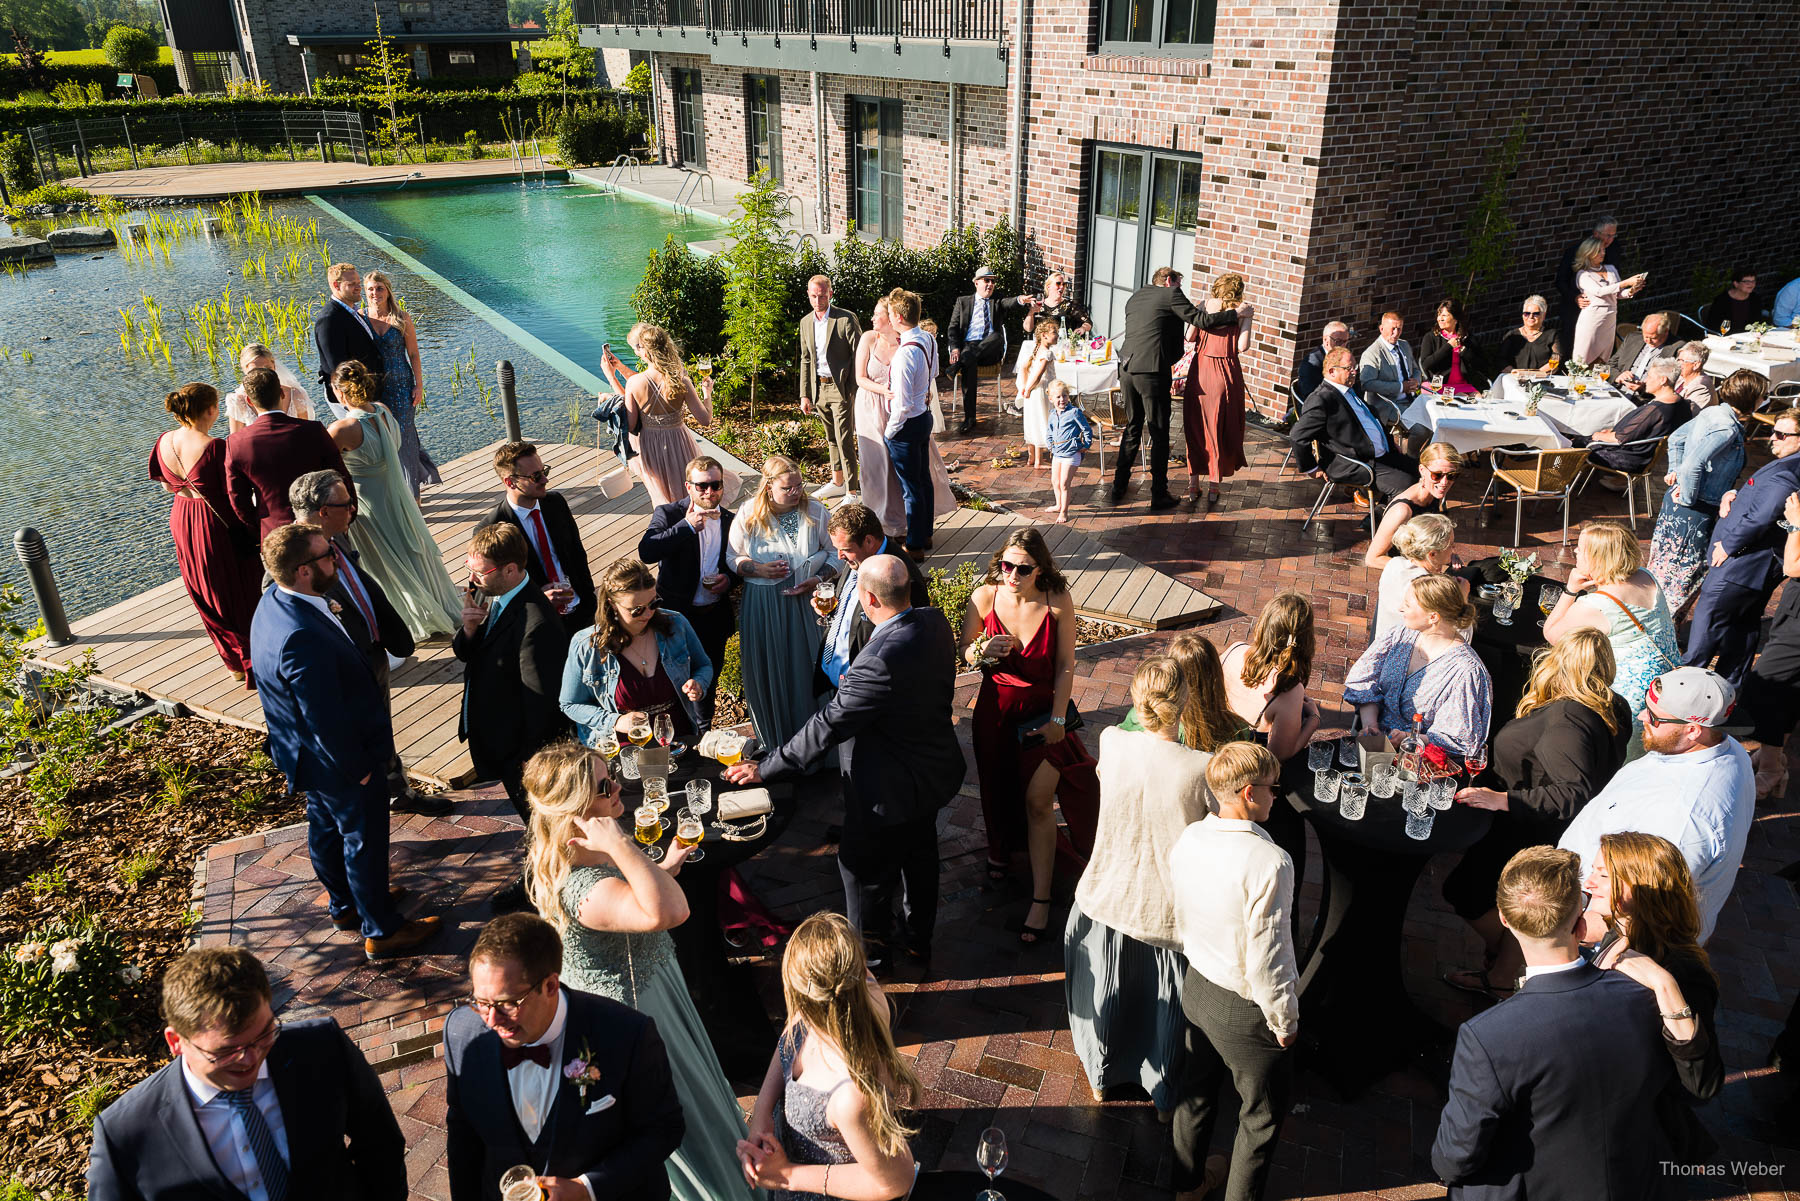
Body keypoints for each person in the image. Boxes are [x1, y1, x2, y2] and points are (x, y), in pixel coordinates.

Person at [520, 742, 751, 1201]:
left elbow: (643, 900)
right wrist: (620, 841)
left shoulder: (583, 858)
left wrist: (660, 867)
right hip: (641, 1017)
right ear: (575, 810)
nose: (618, 787)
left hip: (656, 992)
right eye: (606, 786)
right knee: (687, 1109)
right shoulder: (585, 887)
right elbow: (671, 910)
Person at [725, 557, 965, 963]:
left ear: (869, 598)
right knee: (920, 858)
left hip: (886, 789)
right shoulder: (933, 623)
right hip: (933, 773)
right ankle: (917, 939)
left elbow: (828, 725)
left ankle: (871, 956)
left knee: (861, 872)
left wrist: (766, 767)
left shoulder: (878, 661)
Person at [1431, 847, 1672, 1200]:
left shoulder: (1486, 1036)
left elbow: (1456, 1157)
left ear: (1505, 919)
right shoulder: (1641, 993)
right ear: (1579, 922)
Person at [249, 522, 440, 958]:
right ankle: (382, 929)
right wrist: (361, 770)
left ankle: (346, 904)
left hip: (304, 756)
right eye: (326, 555)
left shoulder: (274, 601)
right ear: (303, 571)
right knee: (364, 839)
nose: (336, 559)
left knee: (326, 828)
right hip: (338, 760)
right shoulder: (300, 636)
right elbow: (324, 718)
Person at [86, 946, 405, 1201]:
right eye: (226, 1051)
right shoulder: (124, 1134)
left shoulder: (322, 1048)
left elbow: (379, 1141)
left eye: (265, 1034)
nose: (250, 1059)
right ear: (175, 1041)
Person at [443, 912, 686, 1201]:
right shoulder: (461, 1034)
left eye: (508, 1004)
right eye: (481, 1002)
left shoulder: (626, 1034)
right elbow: (463, 1136)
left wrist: (588, 1188)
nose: (492, 1019)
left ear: (550, 986)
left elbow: (663, 1128)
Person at [1444, 628, 1632, 997]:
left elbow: (1570, 792)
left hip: (1527, 829)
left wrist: (1504, 800)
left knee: (1467, 891)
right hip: (1535, 827)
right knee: (1509, 898)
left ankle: (1508, 961)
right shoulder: (1613, 704)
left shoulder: (1568, 718)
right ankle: (1502, 972)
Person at [1065, 658, 1214, 1113]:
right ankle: (1162, 1090)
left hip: (1105, 893)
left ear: (1135, 699)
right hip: (1165, 912)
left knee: (1107, 1001)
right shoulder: (1200, 766)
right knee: (1163, 1012)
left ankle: (1101, 1079)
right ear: (1186, 701)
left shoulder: (1112, 742)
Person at [1168, 742, 1297, 1201]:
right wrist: (1284, 1021)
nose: (1276, 796)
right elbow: (1270, 955)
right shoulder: (1270, 862)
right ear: (1247, 792)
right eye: (1272, 788)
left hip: (1197, 987)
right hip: (1245, 1007)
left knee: (1196, 1092)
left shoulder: (1190, 837)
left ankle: (1187, 1184)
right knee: (1259, 1118)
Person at [962, 529, 1100, 943]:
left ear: (1041, 569)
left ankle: (1040, 900)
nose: (1012, 575)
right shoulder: (984, 596)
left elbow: (1065, 665)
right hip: (995, 711)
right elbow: (965, 648)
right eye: (1006, 565)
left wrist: (1059, 719)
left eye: (1023, 568)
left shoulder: (1057, 602)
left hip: (1041, 716)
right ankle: (1000, 853)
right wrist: (981, 651)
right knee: (996, 786)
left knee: (1038, 801)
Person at [1557, 666, 1754, 943]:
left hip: (1598, 941)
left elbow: (1633, 911)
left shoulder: (1681, 821)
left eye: (1655, 717)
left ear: (1693, 730)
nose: (1642, 717)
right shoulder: (1722, 745)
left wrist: (1558, 931)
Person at [290, 470, 445, 817]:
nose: (353, 510)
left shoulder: (336, 536)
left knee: (382, 732)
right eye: (347, 504)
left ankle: (398, 792)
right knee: (360, 741)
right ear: (323, 511)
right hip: (346, 674)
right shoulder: (291, 562)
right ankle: (371, 806)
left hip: (371, 656)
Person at [738, 912, 921, 1199]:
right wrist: (762, 1114)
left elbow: (896, 1180)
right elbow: (787, 1044)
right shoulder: (809, 1014)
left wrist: (787, 1176)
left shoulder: (851, 1093)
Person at [1584, 831, 1724, 1160]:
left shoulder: (1683, 972)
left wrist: (1664, 985)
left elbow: (1701, 1086)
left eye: (1604, 875)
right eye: (1593, 871)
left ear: (1647, 888)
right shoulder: (1600, 933)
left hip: (1627, 1133)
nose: (1589, 883)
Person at [457, 522, 570, 910]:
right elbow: (470, 654)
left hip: (519, 748)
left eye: (480, 571)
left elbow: (540, 701)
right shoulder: (494, 597)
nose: (472, 580)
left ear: (510, 569)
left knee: (541, 824)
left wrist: (530, 759)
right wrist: (470, 629)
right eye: (470, 568)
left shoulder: (536, 622)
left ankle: (545, 891)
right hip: (498, 736)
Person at [324, 360, 461, 640]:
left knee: (384, 562)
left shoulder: (341, 429)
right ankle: (431, 603)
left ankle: (410, 615)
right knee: (410, 551)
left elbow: (323, 465)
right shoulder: (384, 411)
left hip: (368, 505)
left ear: (340, 392)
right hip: (397, 495)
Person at [151, 383, 261, 685]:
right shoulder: (215, 446)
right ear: (211, 410)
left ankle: (233, 664)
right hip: (215, 524)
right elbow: (235, 493)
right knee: (238, 589)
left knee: (205, 590)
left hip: (182, 516)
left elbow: (165, 485)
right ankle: (255, 660)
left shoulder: (164, 441)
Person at [1683, 406, 1800, 685]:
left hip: (1742, 564)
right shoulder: (1789, 464)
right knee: (1742, 627)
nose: (1772, 438)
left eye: (1781, 434)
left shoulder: (1789, 472)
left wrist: (1729, 546)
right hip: (1758, 567)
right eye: (1774, 431)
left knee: (1707, 624)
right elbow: (1761, 495)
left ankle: (1685, 687)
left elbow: (1763, 516)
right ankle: (1730, 689)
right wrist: (1735, 493)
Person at [728, 456, 839, 748]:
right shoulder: (748, 513)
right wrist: (756, 569)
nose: (796, 492)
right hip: (763, 603)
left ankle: (819, 743)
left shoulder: (815, 510)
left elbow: (835, 553)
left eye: (799, 485)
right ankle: (778, 743)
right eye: (788, 488)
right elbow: (732, 557)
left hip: (807, 602)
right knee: (771, 668)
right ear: (768, 487)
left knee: (808, 666)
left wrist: (817, 580)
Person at [1112, 267, 1241, 508]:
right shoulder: (1171, 294)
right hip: (1151, 371)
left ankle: (1118, 487)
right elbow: (1201, 321)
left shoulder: (1137, 295)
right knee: (1159, 432)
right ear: (1170, 280)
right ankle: (1158, 494)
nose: (1181, 288)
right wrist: (1234, 314)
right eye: (1179, 283)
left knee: (1132, 426)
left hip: (1127, 368)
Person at [559, 558, 711, 749]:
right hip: (624, 748)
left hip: (678, 738)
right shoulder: (586, 645)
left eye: (654, 603)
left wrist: (699, 683)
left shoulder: (676, 624)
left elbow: (703, 665)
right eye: (637, 610)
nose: (648, 614)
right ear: (612, 604)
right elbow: (570, 704)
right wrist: (615, 721)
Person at [1649, 370, 1762, 612]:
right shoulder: (1727, 429)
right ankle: (1663, 631)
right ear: (1750, 399)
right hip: (1694, 512)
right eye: (1761, 396)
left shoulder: (1713, 411)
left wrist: (1675, 473)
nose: (1763, 401)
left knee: (1662, 570)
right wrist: (1688, 496)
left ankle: (1649, 622)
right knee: (1683, 577)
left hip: (1678, 505)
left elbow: (1676, 439)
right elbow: (1693, 465)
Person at [1344, 573, 1491, 757]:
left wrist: (1410, 738)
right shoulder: (1401, 635)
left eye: (1407, 605)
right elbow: (1364, 680)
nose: (1400, 609)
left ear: (1433, 617)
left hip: (1418, 761)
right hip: (1373, 747)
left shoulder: (1466, 671)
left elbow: (1460, 738)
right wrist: (1371, 725)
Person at [637, 456, 738, 723]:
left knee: (708, 676)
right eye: (702, 486)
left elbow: (739, 563)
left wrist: (729, 579)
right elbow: (647, 551)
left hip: (713, 614)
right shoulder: (669, 514)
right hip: (674, 614)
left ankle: (703, 730)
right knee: (670, 676)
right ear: (688, 486)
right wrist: (686, 527)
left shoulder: (731, 521)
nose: (709, 492)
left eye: (715, 485)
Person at [1542, 521, 1679, 717]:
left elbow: (1552, 634)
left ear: (1598, 558)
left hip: (1632, 698)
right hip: (1666, 686)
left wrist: (1571, 589)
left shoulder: (1598, 605)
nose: (1576, 553)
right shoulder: (1647, 577)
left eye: (1581, 549)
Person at [853, 296, 955, 539]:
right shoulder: (873, 338)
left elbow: (921, 381)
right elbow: (860, 378)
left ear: (893, 319)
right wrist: (890, 391)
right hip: (873, 408)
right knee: (878, 469)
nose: (873, 318)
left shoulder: (906, 348)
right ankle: (883, 523)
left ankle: (911, 532)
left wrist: (923, 393)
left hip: (902, 415)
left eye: (878, 314)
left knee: (910, 479)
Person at [481, 441, 598, 637]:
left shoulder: (556, 503)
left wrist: (589, 600)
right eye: (536, 476)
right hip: (537, 623)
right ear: (510, 482)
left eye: (544, 471)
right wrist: (538, 600)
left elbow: (578, 554)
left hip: (581, 610)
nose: (545, 480)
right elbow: (494, 591)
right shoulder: (492, 528)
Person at [224, 366, 354, 539]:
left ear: (249, 401)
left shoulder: (236, 443)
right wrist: (347, 512)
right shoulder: (313, 430)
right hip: (321, 525)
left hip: (275, 532)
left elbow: (238, 498)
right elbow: (340, 474)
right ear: (282, 393)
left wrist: (259, 529)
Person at [815, 503, 929, 695]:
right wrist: (834, 604)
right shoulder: (859, 558)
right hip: (839, 682)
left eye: (845, 549)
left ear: (868, 541)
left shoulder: (901, 577)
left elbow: (908, 646)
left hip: (865, 690)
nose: (839, 556)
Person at [1290, 347, 1422, 504]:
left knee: (1426, 473)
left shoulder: (1350, 390)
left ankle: (1425, 519)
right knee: (1407, 486)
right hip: (1356, 463)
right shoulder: (1322, 398)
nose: (1354, 372)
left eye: (1355, 367)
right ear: (1332, 371)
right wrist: (1311, 468)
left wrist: (1388, 440)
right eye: (1349, 368)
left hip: (1381, 455)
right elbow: (1297, 435)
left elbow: (1371, 420)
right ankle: (1384, 522)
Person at [1739, 490, 1800, 799]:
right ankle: (1770, 757)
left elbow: (1794, 567)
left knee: (1765, 686)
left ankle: (1772, 769)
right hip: (1794, 609)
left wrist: (1796, 526)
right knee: (1789, 689)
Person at [883, 287, 949, 557]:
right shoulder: (928, 339)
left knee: (911, 487)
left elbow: (901, 404)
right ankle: (926, 534)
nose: (888, 317)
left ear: (898, 317)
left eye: (889, 313)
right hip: (924, 417)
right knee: (923, 480)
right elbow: (933, 371)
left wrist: (890, 431)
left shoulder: (903, 355)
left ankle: (915, 544)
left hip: (907, 424)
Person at [361, 269, 439, 495]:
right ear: (365, 293)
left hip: (402, 386)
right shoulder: (361, 318)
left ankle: (413, 495)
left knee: (404, 436)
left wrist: (419, 385)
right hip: (375, 388)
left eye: (379, 288)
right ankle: (395, 489)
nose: (375, 293)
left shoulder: (401, 318)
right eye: (370, 289)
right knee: (383, 438)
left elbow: (414, 354)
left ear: (387, 291)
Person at [1220, 594, 1320, 761]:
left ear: (1263, 625)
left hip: (1215, 755)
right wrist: (1314, 719)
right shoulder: (1288, 689)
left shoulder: (1234, 650)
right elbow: (1280, 756)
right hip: (1246, 771)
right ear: (1306, 638)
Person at [1181, 272, 1252, 507]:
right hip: (1226, 372)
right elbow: (1243, 346)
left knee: (1196, 425)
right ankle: (1213, 486)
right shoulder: (1243, 310)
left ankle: (1193, 484)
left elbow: (1189, 336)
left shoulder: (1203, 305)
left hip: (1200, 370)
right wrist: (1248, 319)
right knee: (1218, 426)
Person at [624, 322, 713, 508]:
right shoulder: (681, 380)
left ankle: (670, 530)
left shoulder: (634, 383)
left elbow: (631, 426)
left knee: (661, 497)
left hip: (650, 445)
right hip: (679, 442)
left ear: (646, 353)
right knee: (687, 491)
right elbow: (705, 420)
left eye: (638, 349)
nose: (636, 352)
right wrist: (707, 394)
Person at [797, 274, 863, 498]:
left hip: (840, 388)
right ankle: (837, 482)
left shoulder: (845, 319)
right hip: (819, 388)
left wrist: (854, 388)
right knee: (831, 438)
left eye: (822, 296)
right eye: (814, 296)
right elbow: (806, 359)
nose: (818, 301)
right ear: (808, 294)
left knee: (844, 439)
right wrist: (805, 395)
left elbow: (860, 354)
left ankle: (852, 491)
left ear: (831, 294)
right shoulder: (806, 322)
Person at [947, 265, 1036, 432]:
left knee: (996, 336)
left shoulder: (997, 300)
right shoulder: (963, 302)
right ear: (976, 283)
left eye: (993, 281)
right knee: (968, 360)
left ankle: (957, 366)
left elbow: (1009, 302)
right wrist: (955, 349)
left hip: (991, 350)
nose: (990, 284)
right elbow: (953, 327)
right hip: (969, 348)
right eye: (986, 280)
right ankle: (970, 418)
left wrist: (1020, 299)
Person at [1578, 359, 1694, 475]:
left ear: (1663, 380)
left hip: (1630, 458)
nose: (1646, 380)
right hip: (1646, 457)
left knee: (1576, 444)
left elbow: (1620, 438)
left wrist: (1600, 435)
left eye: (1649, 376)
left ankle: (1567, 482)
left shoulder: (1656, 410)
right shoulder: (1682, 403)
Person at [1372, 513, 1467, 643]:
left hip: (1381, 640)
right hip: (1408, 653)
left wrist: (1438, 565)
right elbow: (1458, 637)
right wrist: (1462, 598)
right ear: (1432, 554)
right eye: (1451, 545)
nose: (1454, 549)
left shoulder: (1394, 564)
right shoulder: (1426, 588)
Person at [1363, 442, 1461, 566]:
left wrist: (1449, 556)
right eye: (1437, 475)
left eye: (1452, 475)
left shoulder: (1434, 494)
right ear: (1422, 470)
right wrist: (1420, 565)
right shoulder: (1402, 511)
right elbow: (1372, 559)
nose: (1444, 482)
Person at [312, 262, 382, 410]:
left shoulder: (353, 311)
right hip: (351, 401)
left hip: (367, 395)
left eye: (358, 283)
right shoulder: (329, 319)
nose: (358, 287)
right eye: (352, 284)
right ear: (336, 286)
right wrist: (357, 404)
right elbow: (337, 368)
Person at [1570, 236, 1648, 365]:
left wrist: (1632, 290)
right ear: (1589, 253)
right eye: (1599, 251)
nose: (1603, 253)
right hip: (1593, 318)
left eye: (1603, 250)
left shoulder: (1611, 268)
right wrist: (1626, 282)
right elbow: (1599, 291)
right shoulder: (1583, 274)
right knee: (1583, 357)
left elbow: (1616, 293)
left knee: (1603, 357)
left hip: (1610, 317)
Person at [1554, 214, 1619, 355]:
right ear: (1596, 234)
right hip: (1577, 311)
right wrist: (1575, 297)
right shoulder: (1575, 252)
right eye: (1607, 235)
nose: (1610, 240)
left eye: (1613, 235)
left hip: (1604, 315)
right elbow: (1561, 281)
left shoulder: (1613, 251)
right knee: (1575, 351)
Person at [224, 342, 317, 431]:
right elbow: (235, 440)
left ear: (274, 366)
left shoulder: (295, 395)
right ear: (245, 370)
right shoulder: (238, 402)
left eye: (268, 368)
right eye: (255, 370)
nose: (262, 374)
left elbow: (306, 433)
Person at [1356, 311, 1423, 423]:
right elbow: (1367, 383)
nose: (1396, 333)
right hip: (1389, 405)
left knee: (1435, 419)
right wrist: (1401, 387)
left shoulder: (1404, 345)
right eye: (1393, 329)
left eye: (1399, 329)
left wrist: (1416, 380)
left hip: (1412, 400)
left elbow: (1416, 369)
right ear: (1381, 329)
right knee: (1421, 429)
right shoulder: (1372, 353)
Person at [1045, 380, 1096, 524]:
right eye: (1058, 397)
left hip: (1071, 454)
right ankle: (1058, 504)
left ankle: (1064, 511)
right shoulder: (1052, 414)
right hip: (1057, 453)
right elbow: (1050, 431)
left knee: (1064, 484)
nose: (1062, 400)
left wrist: (1086, 444)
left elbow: (1086, 429)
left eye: (1065, 396)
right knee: (1055, 481)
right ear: (1051, 399)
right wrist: (1050, 445)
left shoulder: (1074, 412)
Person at [1418, 297, 1490, 394]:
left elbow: (1483, 365)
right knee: (1462, 399)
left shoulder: (1467, 338)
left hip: (1463, 385)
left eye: (1444, 315)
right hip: (1440, 385)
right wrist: (1448, 346)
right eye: (1439, 315)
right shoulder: (1431, 337)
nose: (1440, 319)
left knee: (1478, 399)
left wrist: (1464, 351)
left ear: (1455, 319)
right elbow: (1426, 364)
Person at [1016, 317, 1059, 469]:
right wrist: (1028, 388)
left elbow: (1027, 370)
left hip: (1033, 390)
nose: (1057, 335)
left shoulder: (1037, 350)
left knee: (1032, 421)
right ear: (1044, 335)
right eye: (1054, 332)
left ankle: (1032, 458)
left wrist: (1027, 388)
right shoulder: (1046, 353)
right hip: (1041, 390)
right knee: (1042, 421)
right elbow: (1038, 374)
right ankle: (1039, 462)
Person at [1607, 310, 1678, 394]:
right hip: (1618, 391)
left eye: (1653, 338)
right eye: (1645, 336)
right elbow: (1610, 365)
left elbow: (1673, 384)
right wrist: (1618, 376)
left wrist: (1644, 388)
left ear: (1666, 332)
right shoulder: (1633, 338)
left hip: (1645, 399)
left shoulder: (1676, 349)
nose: (1648, 341)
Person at [1494, 296, 1558, 376]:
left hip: (1542, 379)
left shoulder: (1552, 335)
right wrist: (1516, 373)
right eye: (1527, 313)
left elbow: (1556, 360)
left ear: (1543, 315)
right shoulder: (1512, 336)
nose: (1530, 317)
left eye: (1536, 314)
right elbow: (1500, 359)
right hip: (1515, 379)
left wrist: (1533, 375)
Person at [1025, 269, 1093, 336]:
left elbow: (1088, 322)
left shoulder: (1069, 305)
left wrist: (1083, 328)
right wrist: (1031, 312)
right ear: (1049, 286)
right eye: (1058, 284)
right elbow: (1028, 329)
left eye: (1063, 284)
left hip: (1061, 344)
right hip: (1042, 343)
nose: (1061, 287)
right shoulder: (1037, 305)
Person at [1293, 320, 1350, 398]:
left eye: (1345, 341)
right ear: (1326, 340)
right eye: (1338, 341)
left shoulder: (1343, 358)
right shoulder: (1313, 364)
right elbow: (1310, 396)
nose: (1342, 345)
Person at [1702, 268, 1761, 332]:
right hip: (1726, 337)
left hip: (1749, 336)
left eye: (1753, 281)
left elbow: (1757, 322)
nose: (1751, 284)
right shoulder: (1722, 300)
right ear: (1736, 284)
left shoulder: (1755, 299)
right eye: (1747, 282)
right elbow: (1714, 325)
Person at [1674, 341, 1717, 409]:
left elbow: (1689, 414)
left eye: (1682, 361)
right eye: (1678, 360)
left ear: (1696, 365)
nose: (1678, 364)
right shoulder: (1682, 378)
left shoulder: (1701, 387)